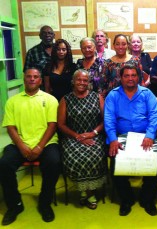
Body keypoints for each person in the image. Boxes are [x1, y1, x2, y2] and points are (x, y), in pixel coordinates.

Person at [0, 68, 60, 225]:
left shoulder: (50, 99)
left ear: (40, 80)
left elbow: (52, 125)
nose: (32, 79)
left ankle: (44, 203)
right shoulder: (12, 101)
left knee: (54, 162)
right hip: (21, 144)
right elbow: (10, 127)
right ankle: (15, 205)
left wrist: (40, 147)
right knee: (4, 164)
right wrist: (22, 146)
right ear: (24, 79)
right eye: (29, 77)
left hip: (46, 143)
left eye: (35, 77)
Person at [104, 65, 157, 216]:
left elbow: (154, 115)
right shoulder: (113, 95)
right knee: (115, 166)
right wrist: (113, 139)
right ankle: (126, 199)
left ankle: (147, 199)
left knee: (154, 165)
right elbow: (109, 119)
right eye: (126, 76)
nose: (130, 78)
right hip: (121, 137)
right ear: (121, 78)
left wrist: (149, 135)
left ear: (138, 77)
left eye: (133, 75)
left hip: (145, 137)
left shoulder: (147, 94)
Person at [57, 69, 107, 210]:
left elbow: (105, 121)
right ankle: (83, 191)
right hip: (72, 137)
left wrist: (93, 133)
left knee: (94, 156)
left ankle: (89, 193)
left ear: (89, 83)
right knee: (75, 157)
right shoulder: (65, 99)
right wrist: (77, 136)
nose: (82, 82)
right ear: (73, 81)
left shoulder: (97, 97)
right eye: (79, 79)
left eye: (85, 80)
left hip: (94, 136)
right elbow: (61, 124)